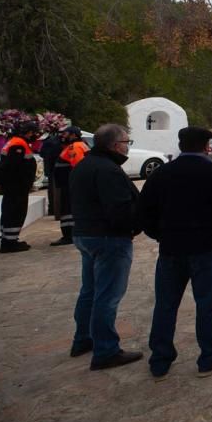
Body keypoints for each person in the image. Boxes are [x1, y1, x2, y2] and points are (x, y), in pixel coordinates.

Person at [138, 126, 212, 380]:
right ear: (206, 145)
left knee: (165, 304)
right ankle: (209, 355)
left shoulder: (162, 174)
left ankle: (160, 358)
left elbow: (144, 210)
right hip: (206, 247)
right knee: (208, 302)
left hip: (171, 248)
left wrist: (160, 235)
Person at [69, 123, 143, 369]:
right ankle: (106, 350)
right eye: (126, 143)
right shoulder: (108, 170)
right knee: (107, 296)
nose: (127, 147)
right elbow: (119, 209)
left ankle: (83, 338)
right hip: (109, 238)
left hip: (85, 234)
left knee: (89, 291)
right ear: (114, 145)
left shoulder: (84, 165)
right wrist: (134, 225)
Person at [0, 121, 40, 252]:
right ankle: (9, 243)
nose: (35, 135)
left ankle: (9, 239)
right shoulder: (18, 145)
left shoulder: (14, 142)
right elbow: (12, 167)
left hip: (13, 186)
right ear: (29, 132)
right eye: (34, 132)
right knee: (15, 213)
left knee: (10, 212)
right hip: (16, 187)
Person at [49, 126, 88, 246]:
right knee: (68, 209)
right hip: (68, 183)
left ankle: (68, 235)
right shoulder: (78, 145)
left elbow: (77, 167)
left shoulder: (75, 147)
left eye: (66, 133)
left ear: (74, 135)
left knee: (67, 210)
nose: (63, 136)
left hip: (69, 184)